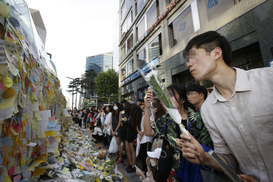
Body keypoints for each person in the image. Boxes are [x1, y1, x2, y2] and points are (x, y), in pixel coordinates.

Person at [181, 31, 273, 182]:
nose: (188, 64)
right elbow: (229, 158)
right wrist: (205, 157)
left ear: (216, 53)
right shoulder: (208, 110)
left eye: (193, 56)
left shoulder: (268, 79)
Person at [167, 84, 213, 182]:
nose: (189, 96)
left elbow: (208, 145)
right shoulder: (167, 119)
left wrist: (192, 146)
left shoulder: (200, 117)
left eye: (171, 95)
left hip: (195, 167)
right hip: (176, 169)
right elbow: (149, 131)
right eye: (188, 94)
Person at [143, 97, 180, 182]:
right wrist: (147, 108)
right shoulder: (164, 119)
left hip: (188, 164)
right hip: (170, 164)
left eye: (171, 96)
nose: (165, 101)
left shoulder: (193, 117)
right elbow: (148, 132)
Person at [123, 104, 138, 173]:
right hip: (126, 134)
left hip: (131, 135)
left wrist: (125, 122)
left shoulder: (133, 117)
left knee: (132, 150)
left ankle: (133, 165)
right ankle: (130, 163)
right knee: (127, 149)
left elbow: (132, 126)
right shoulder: (128, 116)